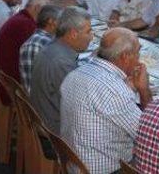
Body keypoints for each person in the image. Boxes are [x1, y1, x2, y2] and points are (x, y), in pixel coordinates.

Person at [60, 27, 152, 173]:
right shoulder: (114, 91)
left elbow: (106, 108)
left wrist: (129, 89)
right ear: (125, 56)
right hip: (106, 169)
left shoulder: (75, 73)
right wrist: (144, 90)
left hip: (74, 162)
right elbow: (148, 134)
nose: (139, 58)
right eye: (137, 52)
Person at [29, 7, 92, 133]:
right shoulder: (62, 62)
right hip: (55, 133)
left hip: (44, 119)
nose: (91, 37)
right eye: (88, 32)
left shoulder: (51, 48)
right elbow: (81, 105)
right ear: (73, 34)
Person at [0, 0, 49, 84]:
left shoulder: (20, 18)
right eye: (46, 12)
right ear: (38, 8)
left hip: (3, 74)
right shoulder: (26, 24)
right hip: (12, 83)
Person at [19, 5, 63, 92]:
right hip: (42, 100)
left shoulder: (32, 39)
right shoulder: (48, 44)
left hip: (28, 97)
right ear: (51, 22)